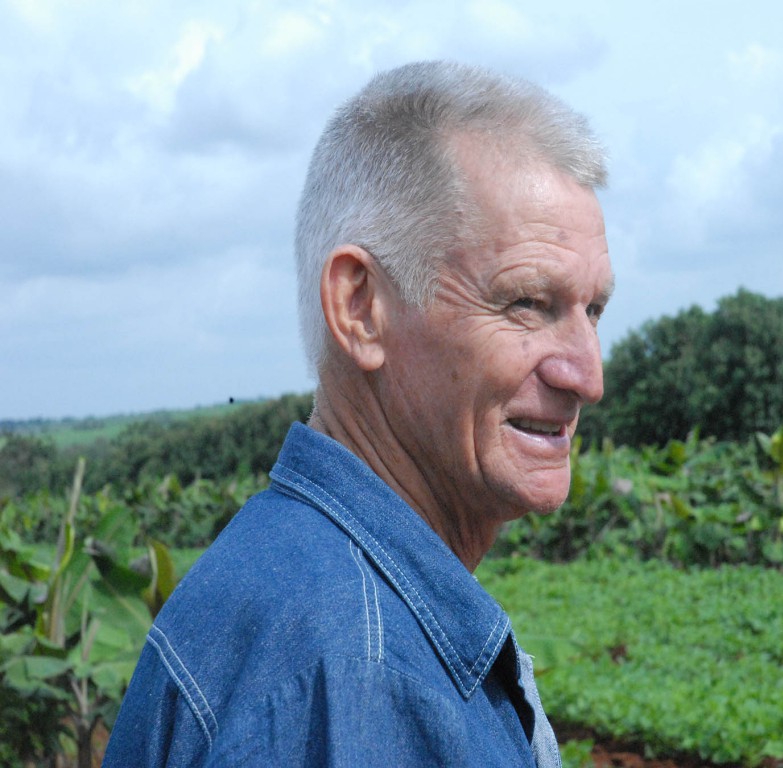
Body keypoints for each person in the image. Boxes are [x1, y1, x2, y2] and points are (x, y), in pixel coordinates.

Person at [103, 59, 613, 767]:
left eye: (593, 310)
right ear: (360, 309)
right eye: (528, 302)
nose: (586, 375)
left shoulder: (290, 578)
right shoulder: (358, 679)